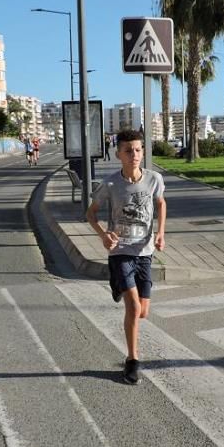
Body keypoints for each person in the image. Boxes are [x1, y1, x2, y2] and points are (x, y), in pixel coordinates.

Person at [87, 129, 166, 385]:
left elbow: (161, 203)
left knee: (142, 312)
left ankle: (118, 286)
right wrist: (102, 235)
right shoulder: (110, 184)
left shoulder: (154, 179)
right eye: (128, 150)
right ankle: (132, 361)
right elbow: (91, 213)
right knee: (132, 306)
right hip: (120, 251)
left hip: (145, 252)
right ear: (119, 154)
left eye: (138, 150)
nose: (134, 155)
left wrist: (161, 233)